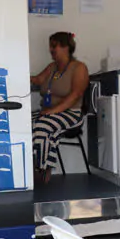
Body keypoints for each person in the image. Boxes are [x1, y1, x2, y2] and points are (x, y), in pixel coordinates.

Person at [30, 32, 89, 183]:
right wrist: (15, 74)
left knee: (42, 125)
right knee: (24, 122)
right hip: (49, 112)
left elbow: (76, 95)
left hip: (72, 113)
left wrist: (51, 111)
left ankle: (40, 169)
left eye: (54, 45)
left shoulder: (79, 68)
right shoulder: (52, 67)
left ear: (66, 47)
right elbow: (37, 80)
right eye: (50, 46)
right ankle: (28, 166)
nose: (50, 49)